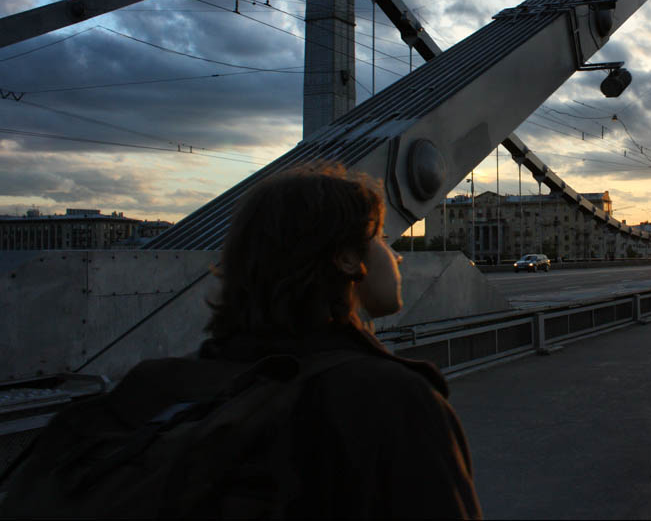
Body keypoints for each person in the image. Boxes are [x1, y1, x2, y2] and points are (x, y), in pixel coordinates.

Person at [3, 162, 483, 518]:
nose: (396, 257)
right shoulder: (388, 399)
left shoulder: (152, 387)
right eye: (380, 237)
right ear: (343, 258)